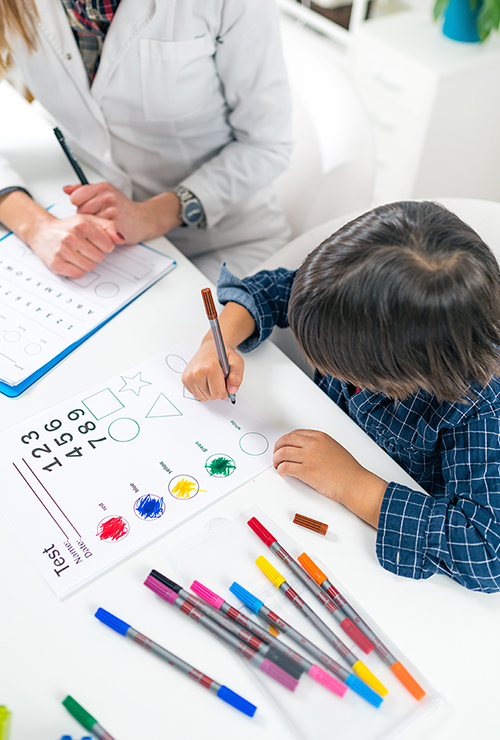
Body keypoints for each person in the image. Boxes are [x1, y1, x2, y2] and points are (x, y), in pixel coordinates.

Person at [182, 200, 500, 593]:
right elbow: (279, 290)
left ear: (404, 372)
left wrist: (352, 485)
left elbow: (486, 550)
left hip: (370, 547)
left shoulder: (481, 404)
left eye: (342, 367)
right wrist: (219, 341)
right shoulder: (353, 294)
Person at [0, 0, 292, 282]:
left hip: (221, 243)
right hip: (91, 233)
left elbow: (267, 145)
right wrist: (36, 226)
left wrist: (153, 214)